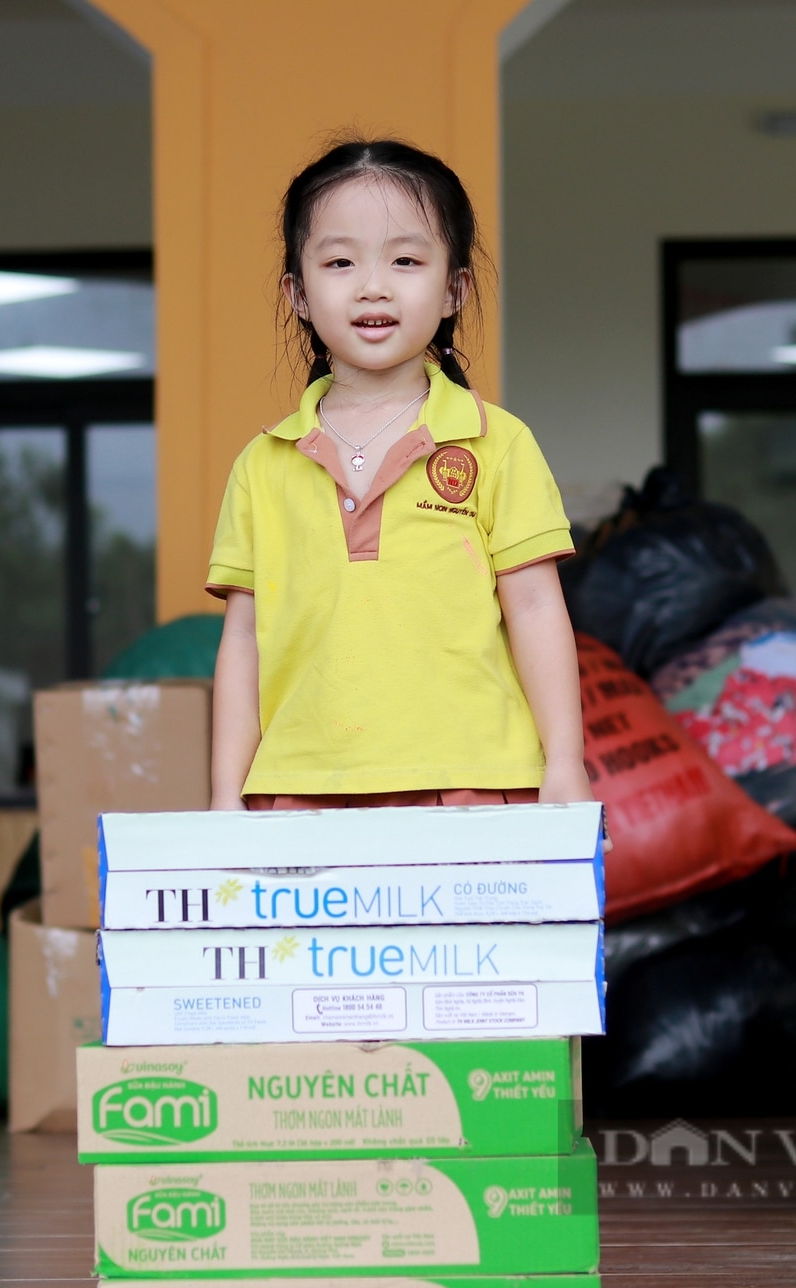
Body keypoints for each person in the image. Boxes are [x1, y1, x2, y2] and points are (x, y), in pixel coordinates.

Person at [207, 137, 592, 812]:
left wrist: (564, 765)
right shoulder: (262, 464)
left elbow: (533, 607)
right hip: (300, 793)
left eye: (406, 260)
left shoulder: (498, 444)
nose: (373, 286)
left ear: (453, 289)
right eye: (340, 261)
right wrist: (224, 794)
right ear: (297, 293)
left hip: (471, 785)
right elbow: (244, 639)